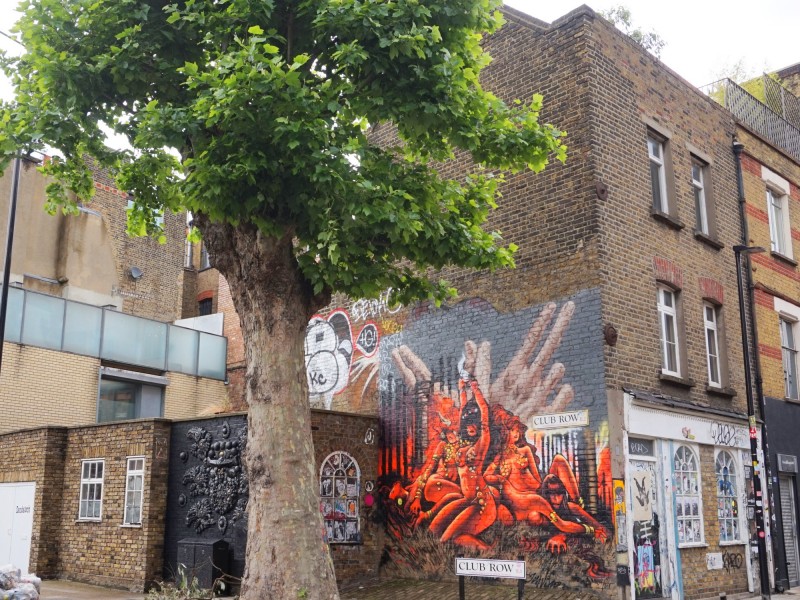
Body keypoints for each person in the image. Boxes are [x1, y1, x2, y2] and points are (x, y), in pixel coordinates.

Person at [484, 407, 603, 551]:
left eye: (517, 430)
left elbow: (537, 477)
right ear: (504, 432)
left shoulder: (525, 450)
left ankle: (577, 503)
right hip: (527, 501)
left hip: (538, 492)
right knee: (536, 517)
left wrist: (544, 487)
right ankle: (574, 514)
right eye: (512, 430)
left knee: (559, 460)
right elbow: (486, 476)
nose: (516, 433)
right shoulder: (500, 457)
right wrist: (500, 479)